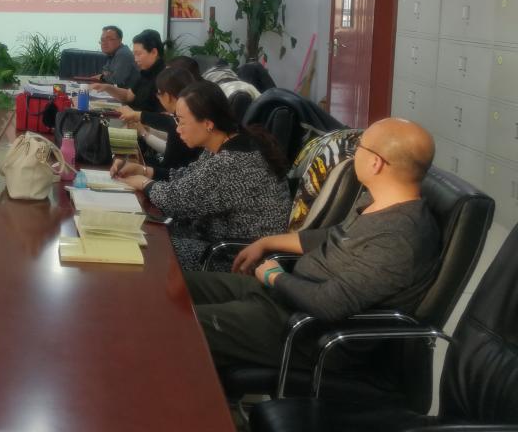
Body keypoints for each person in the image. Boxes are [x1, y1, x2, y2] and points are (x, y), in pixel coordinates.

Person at [182, 118, 439, 371]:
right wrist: (266, 242)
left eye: (359, 145)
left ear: (375, 163)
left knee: (177, 328)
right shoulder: (376, 201)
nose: (354, 153)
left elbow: (329, 304)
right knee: (176, 289)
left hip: (304, 331)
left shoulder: (399, 238)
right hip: (286, 299)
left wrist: (274, 277)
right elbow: (334, 236)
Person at [112, 80, 290, 271]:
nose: (177, 129)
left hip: (234, 257)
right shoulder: (225, 143)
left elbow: (177, 201)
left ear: (207, 124)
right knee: (144, 232)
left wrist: (144, 183)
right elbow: (188, 177)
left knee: (149, 247)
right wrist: (144, 170)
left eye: (181, 121)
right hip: (215, 239)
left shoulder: (231, 162)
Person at [121, 66, 200, 171]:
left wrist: (144, 133)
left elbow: (170, 171)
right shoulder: (187, 118)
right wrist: (147, 129)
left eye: (159, 93)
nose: (178, 128)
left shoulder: (181, 125)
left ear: (167, 96)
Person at [90, 29, 166, 113]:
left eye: (139, 54)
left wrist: (136, 115)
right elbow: (128, 96)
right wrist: (107, 88)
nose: (135, 59)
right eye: (134, 54)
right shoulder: (146, 73)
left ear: (154, 52)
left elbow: (166, 116)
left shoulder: (165, 78)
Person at [74, 26, 138, 88]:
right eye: (102, 40)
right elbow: (105, 71)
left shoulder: (123, 54)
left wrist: (101, 77)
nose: (104, 43)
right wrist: (105, 76)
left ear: (120, 40)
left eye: (109, 39)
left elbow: (116, 80)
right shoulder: (112, 53)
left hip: (129, 94)